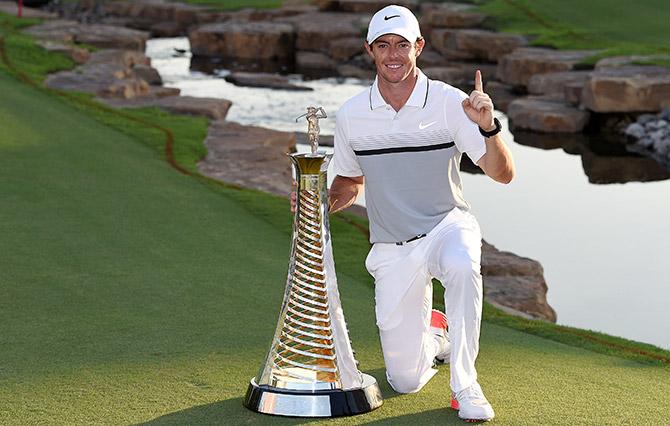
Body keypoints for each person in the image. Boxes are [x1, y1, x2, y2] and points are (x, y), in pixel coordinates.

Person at [292, 4, 514, 422]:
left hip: (447, 225)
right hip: (393, 245)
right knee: (405, 380)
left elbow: (503, 174)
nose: (393, 54)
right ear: (370, 50)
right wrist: (318, 203)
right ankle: (436, 334)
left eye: (402, 45)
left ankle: (466, 385)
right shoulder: (353, 114)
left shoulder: (451, 102)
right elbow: (349, 183)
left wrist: (488, 126)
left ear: (419, 47)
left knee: (464, 265)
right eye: (383, 45)